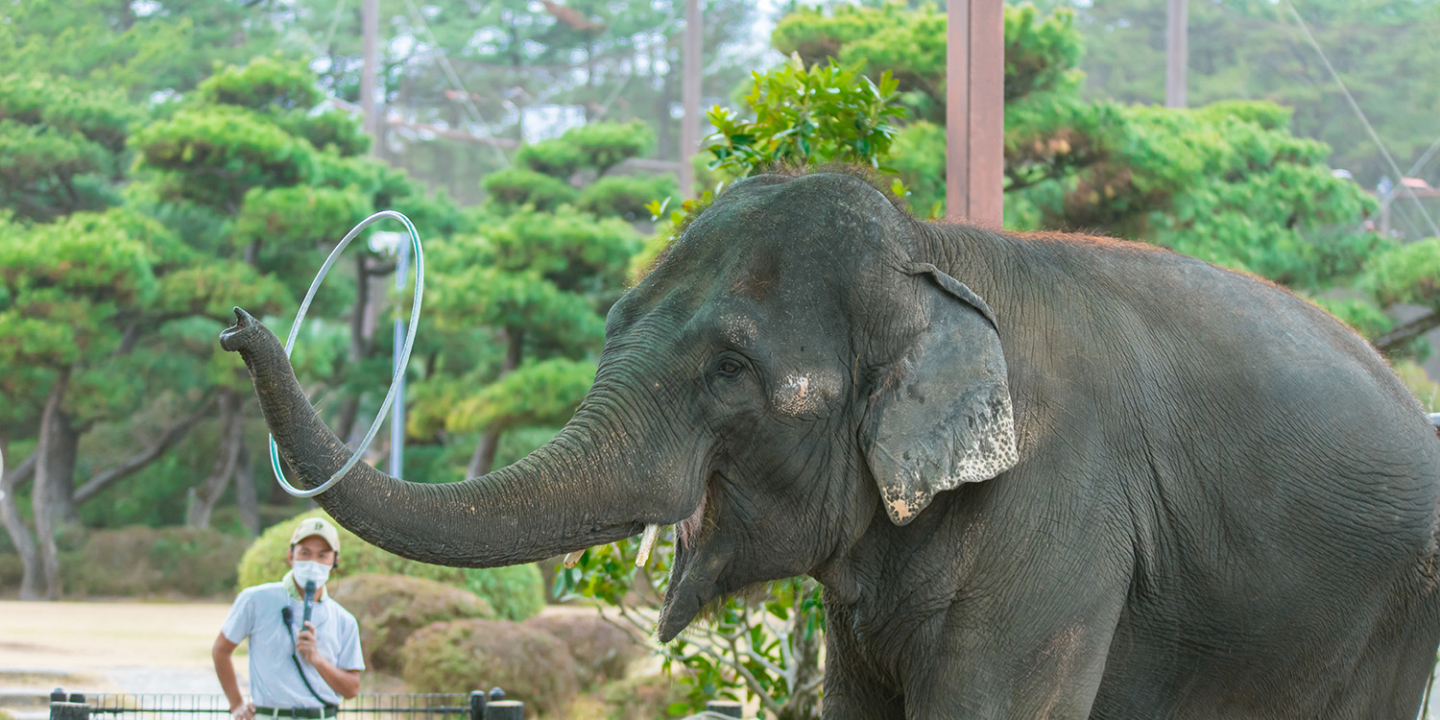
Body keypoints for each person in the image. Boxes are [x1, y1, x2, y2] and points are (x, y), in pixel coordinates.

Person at [213, 517, 364, 719]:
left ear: (335, 560)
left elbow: (351, 689)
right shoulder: (256, 600)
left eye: (322, 555)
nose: (313, 562)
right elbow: (221, 649)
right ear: (291, 555)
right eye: (305, 553)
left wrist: (317, 660)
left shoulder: (344, 620)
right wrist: (237, 704)